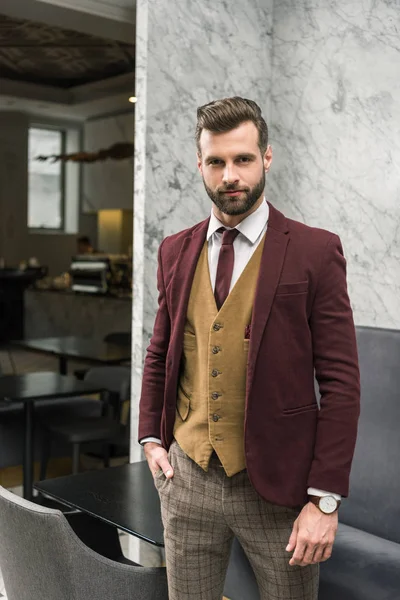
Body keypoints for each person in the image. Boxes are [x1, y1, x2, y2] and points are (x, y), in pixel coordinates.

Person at [139, 97, 360, 600]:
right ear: (200, 165)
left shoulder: (314, 251)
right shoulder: (175, 248)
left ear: (266, 157)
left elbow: (342, 384)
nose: (229, 175)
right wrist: (151, 438)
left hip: (279, 491)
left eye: (242, 159)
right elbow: (161, 352)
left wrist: (324, 501)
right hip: (188, 480)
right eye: (216, 162)